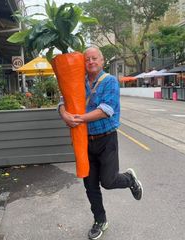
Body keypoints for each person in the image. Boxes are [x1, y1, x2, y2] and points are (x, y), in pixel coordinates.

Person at [58, 47, 143, 240]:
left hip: (106, 139)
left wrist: (79, 119)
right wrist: (64, 114)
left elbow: (106, 109)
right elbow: (62, 100)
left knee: (108, 181)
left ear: (102, 61)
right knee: (90, 185)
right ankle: (100, 220)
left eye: (94, 58)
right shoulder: (78, 81)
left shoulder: (110, 82)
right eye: (87, 59)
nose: (90, 62)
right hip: (84, 141)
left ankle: (129, 179)